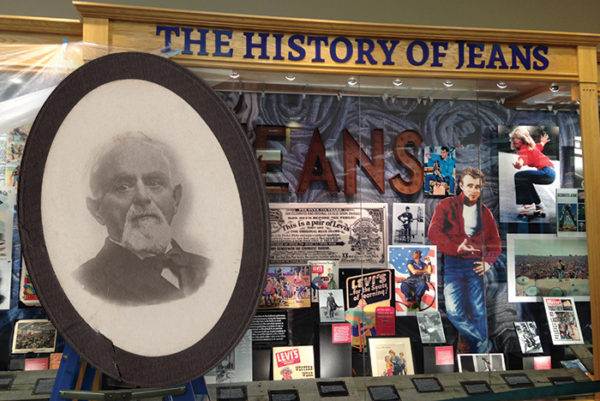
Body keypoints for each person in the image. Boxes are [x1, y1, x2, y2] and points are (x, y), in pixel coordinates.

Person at [74, 134, 209, 306]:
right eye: (123, 186)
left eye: (155, 182)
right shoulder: (84, 284)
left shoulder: (210, 270)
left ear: (175, 199)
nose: (142, 197)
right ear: (96, 210)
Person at [428, 167, 501, 353]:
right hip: (453, 263)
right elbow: (433, 233)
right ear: (460, 185)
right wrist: (455, 247)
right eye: (469, 185)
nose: (473, 190)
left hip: (476, 265)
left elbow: (495, 242)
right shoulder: (446, 205)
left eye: (477, 187)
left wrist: (487, 262)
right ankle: (483, 343)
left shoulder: (485, 212)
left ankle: (480, 355)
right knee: (453, 312)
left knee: (478, 310)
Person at [509, 127, 555, 216]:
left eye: (518, 138)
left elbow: (522, 157)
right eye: (513, 138)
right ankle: (539, 204)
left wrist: (519, 164)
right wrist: (543, 142)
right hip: (549, 173)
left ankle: (529, 204)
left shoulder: (524, 149)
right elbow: (540, 146)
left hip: (547, 173)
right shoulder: (532, 147)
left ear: (523, 139)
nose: (515, 140)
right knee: (526, 180)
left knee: (519, 176)